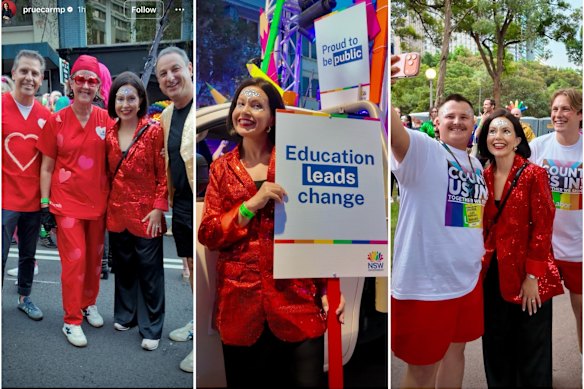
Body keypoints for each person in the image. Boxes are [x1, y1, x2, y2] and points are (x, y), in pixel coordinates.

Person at [198, 78, 345, 387]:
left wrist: (328, 288)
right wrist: (251, 204)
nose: (245, 111)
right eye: (240, 104)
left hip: (296, 298)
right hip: (240, 304)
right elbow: (209, 234)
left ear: (274, 118)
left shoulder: (297, 161)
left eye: (256, 105)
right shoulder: (222, 169)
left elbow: (317, 229)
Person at [390, 54, 487, 388]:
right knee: (421, 370)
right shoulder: (424, 150)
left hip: (466, 281)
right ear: (437, 120)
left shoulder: (476, 167)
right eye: (450, 116)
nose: (457, 122)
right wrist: (384, 89)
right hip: (426, 286)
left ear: (474, 123)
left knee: (455, 354)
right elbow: (391, 131)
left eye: (465, 117)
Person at [477, 109, 564, 387]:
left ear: (517, 139)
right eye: (492, 131)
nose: (498, 136)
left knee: (532, 346)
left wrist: (532, 277)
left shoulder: (533, 174)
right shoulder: (482, 175)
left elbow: (543, 227)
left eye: (505, 131)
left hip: (529, 273)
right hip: (493, 272)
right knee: (495, 342)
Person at [37, 54, 114, 347]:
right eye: (79, 79)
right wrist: (45, 205)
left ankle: (87, 303)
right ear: (71, 82)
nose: (85, 85)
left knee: (94, 261)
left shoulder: (106, 120)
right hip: (65, 203)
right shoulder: (55, 121)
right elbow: (46, 166)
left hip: (98, 204)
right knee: (74, 261)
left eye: (91, 80)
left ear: (98, 86)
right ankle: (71, 320)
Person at [105, 71, 168, 351]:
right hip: (117, 214)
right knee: (124, 269)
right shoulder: (108, 132)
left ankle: (152, 326)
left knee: (150, 273)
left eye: (131, 97)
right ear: (113, 101)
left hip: (146, 214)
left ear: (141, 100)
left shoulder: (154, 131)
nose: (126, 104)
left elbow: (163, 173)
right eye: (120, 98)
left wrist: (158, 207)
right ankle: (125, 315)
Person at [529, 88, 583, 353]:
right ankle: (538, 374)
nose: (558, 115)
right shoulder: (539, 146)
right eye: (555, 109)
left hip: (578, 249)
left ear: (580, 114)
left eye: (565, 109)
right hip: (544, 249)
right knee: (536, 318)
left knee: (582, 312)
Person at [2, 49, 51, 321]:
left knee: (28, 255)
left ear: (41, 78)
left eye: (34, 73)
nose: (28, 78)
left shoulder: (46, 116)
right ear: (13, 74)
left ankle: (25, 297)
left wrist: (47, 201)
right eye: (24, 71)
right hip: (4, 201)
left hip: (33, 201)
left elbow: (49, 162)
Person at [155, 46, 194, 372]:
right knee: (194, 270)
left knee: (213, 273)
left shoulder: (206, 107)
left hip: (207, 201)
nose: (170, 77)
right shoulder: (167, 115)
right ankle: (200, 323)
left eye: (175, 69)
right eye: (163, 74)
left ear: (189, 68)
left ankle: (211, 337)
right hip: (181, 202)